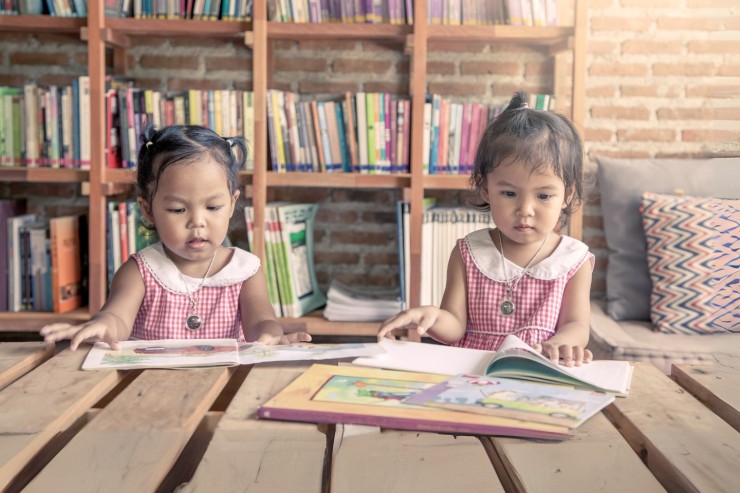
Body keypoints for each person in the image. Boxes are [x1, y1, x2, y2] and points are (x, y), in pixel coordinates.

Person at [41, 124, 311, 350]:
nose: (197, 221)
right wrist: (102, 325)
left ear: (231, 204)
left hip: (223, 385)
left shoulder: (245, 271)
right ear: (148, 210)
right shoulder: (140, 271)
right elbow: (116, 318)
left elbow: (260, 322)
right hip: (150, 388)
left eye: (213, 207)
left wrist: (271, 335)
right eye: (177, 209)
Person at [378, 92, 594, 366]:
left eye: (543, 196)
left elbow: (577, 325)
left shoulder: (573, 260)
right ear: (486, 190)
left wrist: (563, 342)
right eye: (509, 193)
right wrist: (430, 316)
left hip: (538, 372)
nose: (525, 209)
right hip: (472, 373)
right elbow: (455, 325)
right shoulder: (468, 253)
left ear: (567, 194)